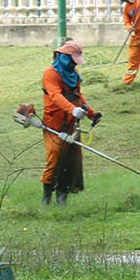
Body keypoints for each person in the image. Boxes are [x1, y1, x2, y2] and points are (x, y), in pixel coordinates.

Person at [40, 40, 101, 205]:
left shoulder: (74, 73)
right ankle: (46, 198)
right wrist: (72, 109)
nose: (74, 64)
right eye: (72, 60)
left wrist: (90, 113)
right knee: (54, 158)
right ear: (64, 57)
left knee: (71, 161)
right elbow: (55, 95)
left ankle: (62, 196)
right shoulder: (50, 73)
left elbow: (78, 96)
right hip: (54, 124)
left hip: (72, 125)